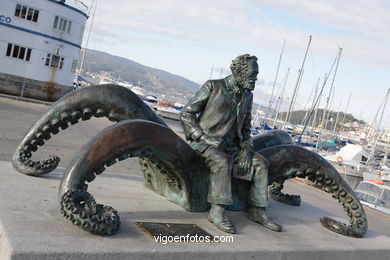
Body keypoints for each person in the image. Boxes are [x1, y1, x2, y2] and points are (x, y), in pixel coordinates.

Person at [180, 54, 281, 234]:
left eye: (256, 75)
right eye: (252, 74)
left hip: (231, 147)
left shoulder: (248, 96)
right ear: (238, 72)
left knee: (261, 164)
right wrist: (203, 137)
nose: (256, 78)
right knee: (222, 161)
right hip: (204, 144)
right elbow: (186, 114)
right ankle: (217, 211)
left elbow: (247, 129)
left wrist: (246, 149)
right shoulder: (213, 86)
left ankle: (258, 210)